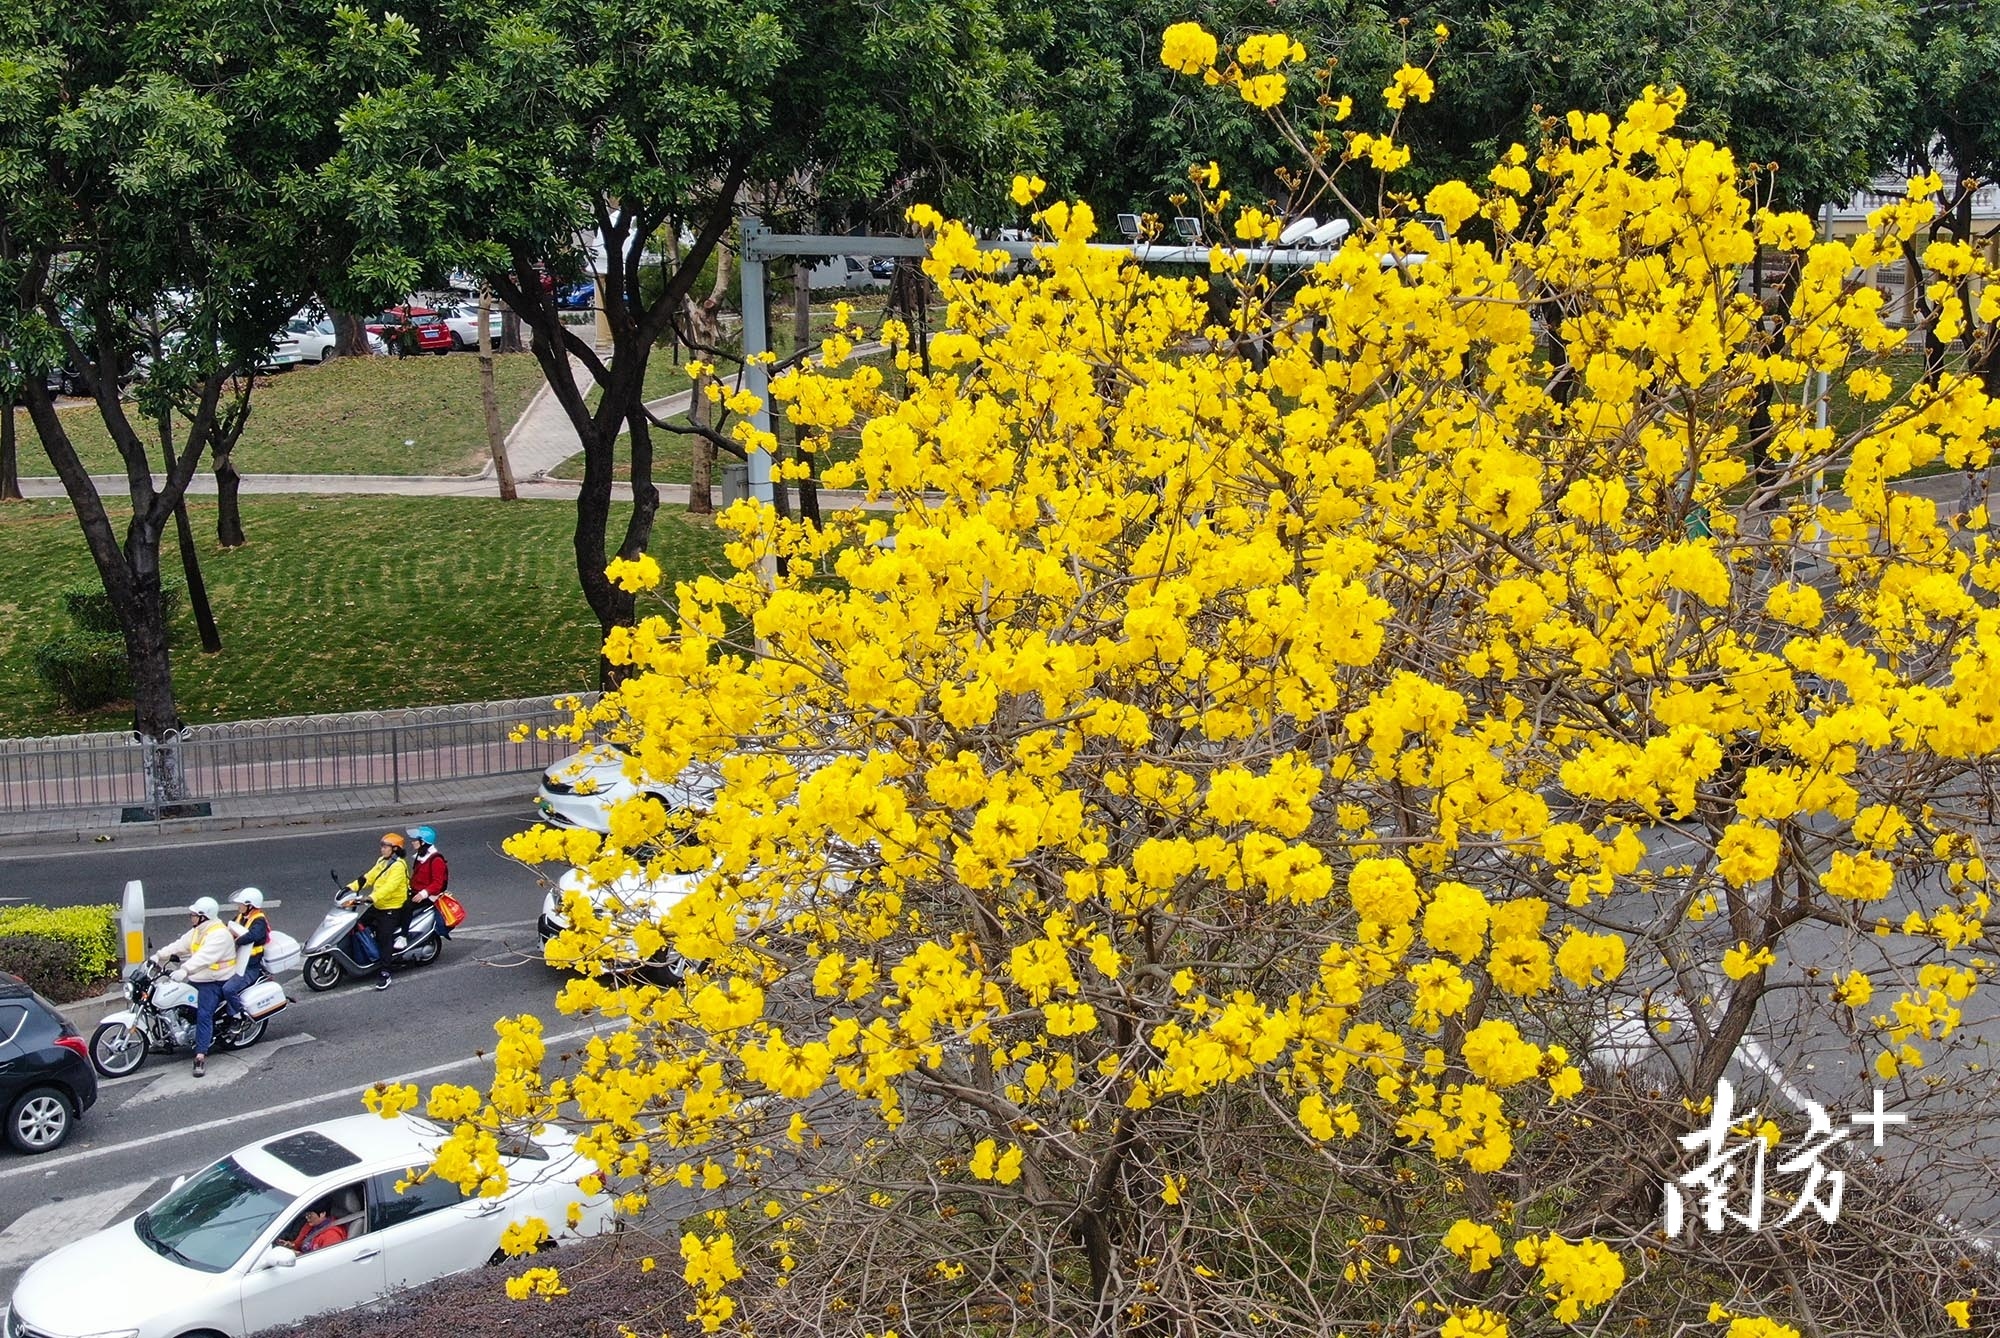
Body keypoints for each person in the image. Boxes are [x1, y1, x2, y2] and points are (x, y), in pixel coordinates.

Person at [150, 897, 236, 1077]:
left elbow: (204, 957)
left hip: (215, 981)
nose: (191, 917)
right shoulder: (198, 931)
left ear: (204, 917)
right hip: (199, 978)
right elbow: (180, 945)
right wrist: (159, 956)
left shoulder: (219, 935)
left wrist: (185, 970)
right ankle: (169, 1041)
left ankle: (200, 1056)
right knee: (177, 1003)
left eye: (194, 915)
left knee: (204, 1014)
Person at [344, 833, 410, 990]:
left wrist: (371, 898)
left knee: (384, 938)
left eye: (385, 846)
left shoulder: (399, 866)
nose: (382, 849)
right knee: (357, 925)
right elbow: (369, 877)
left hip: (391, 908)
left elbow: (389, 887)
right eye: (382, 845)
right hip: (378, 905)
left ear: (395, 849)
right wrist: (350, 887)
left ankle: (386, 972)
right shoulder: (382, 861)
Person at [220, 887, 270, 1019]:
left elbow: (251, 936)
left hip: (249, 967)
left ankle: (237, 1014)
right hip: (237, 962)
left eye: (241, 904)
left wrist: (235, 940)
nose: (238, 906)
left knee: (228, 989)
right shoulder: (241, 917)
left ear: (250, 906)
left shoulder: (259, 921)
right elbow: (229, 926)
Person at [407, 825, 450, 939]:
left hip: (427, 897)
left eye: (416, 840)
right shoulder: (421, 857)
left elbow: (437, 884)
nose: (413, 842)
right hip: (416, 891)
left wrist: (423, 894)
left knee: (404, 908)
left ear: (423, 842)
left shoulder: (436, 860)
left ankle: (402, 937)